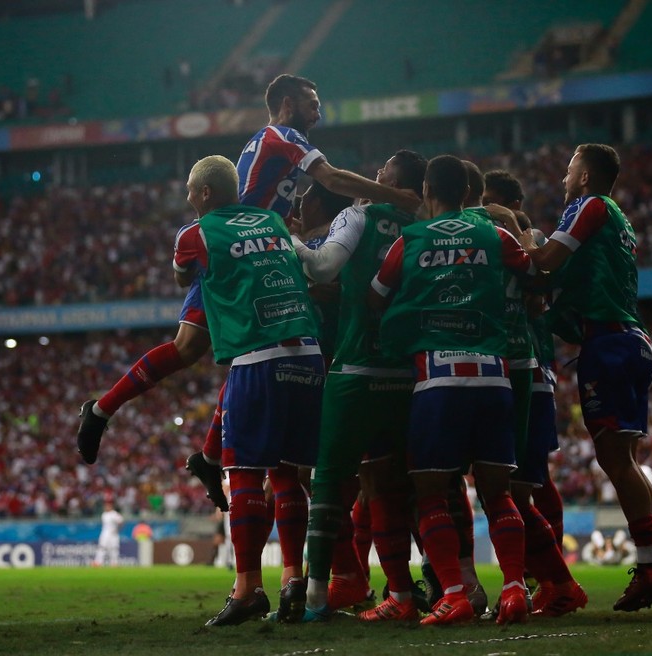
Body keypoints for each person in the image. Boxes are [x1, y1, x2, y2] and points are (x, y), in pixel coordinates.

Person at [77, 74, 418, 486]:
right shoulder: (281, 134)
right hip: (237, 249)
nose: (319, 111)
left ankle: (199, 452)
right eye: (312, 102)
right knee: (190, 348)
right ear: (288, 104)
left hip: (254, 247)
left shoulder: (273, 147)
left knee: (243, 350)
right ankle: (103, 413)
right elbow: (329, 178)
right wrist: (396, 197)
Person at [488, 143, 652, 612]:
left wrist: (500, 222)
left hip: (610, 345)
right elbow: (552, 280)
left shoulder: (590, 206)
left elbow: (546, 260)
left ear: (587, 177)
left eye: (570, 170)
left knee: (616, 460)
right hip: (627, 339)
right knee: (627, 459)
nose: (563, 179)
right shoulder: (614, 218)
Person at [370, 155, 536, 626]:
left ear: (427, 191)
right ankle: (515, 589)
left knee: (430, 492)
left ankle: (457, 593)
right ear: (468, 193)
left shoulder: (410, 239)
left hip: (439, 374)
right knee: (498, 493)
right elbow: (534, 272)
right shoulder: (495, 235)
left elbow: (376, 295)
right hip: (495, 373)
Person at [174, 155, 325, 626]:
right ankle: (294, 579)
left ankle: (247, 589)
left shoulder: (194, 234)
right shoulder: (275, 223)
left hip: (257, 358)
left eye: (189, 192)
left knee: (241, 474)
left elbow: (185, 277)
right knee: (288, 474)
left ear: (202, 194)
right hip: (309, 355)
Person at [290, 150, 429, 622]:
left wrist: (290, 240)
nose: (376, 172)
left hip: (354, 370)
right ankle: (410, 594)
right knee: (391, 487)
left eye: (384, 169)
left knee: (327, 480)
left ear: (397, 179)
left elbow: (324, 267)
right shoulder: (422, 227)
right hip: (406, 375)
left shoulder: (358, 214)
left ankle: (315, 599)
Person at [472, 166, 587, 618]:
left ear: (512, 206)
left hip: (528, 370)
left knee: (516, 488)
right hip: (504, 371)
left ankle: (549, 582)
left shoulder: (530, 239)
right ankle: (540, 580)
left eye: (490, 203)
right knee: (517, 486)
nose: (483, 213)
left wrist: (503, 219)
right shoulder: (491, 239)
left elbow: (542, 283)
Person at [93, 501, 124, 567]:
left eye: (107, 506)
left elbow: (121, 522)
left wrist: (117, 529)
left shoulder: (114, 514)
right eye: (105, 506)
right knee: (102, 547)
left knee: (114, 549)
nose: (106, 507)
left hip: (113, 534)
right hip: (105, 534)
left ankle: (114, 563)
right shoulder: (104, 514)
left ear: (111, 507)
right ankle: (98, 562)